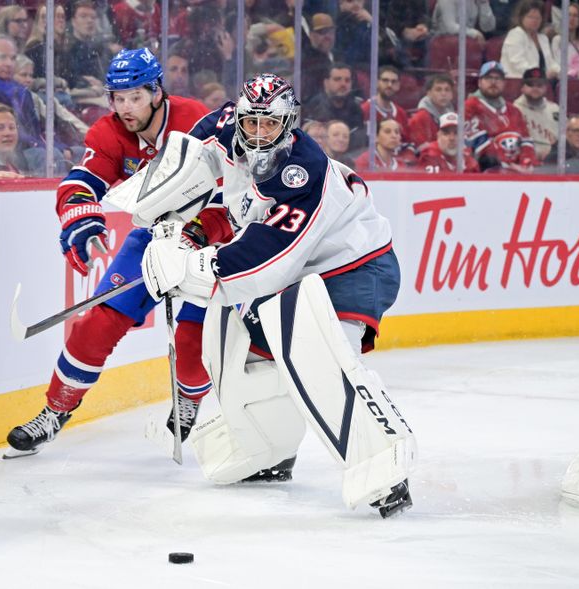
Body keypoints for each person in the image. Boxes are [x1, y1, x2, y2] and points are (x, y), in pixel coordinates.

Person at [140, 73, 415, 517]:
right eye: (252, 123)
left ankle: (383, 462)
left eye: (271, 125)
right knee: (231, 340)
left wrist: (189, 269)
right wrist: (183, 227)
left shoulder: (303, 173)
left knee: (312, 349)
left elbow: (266, 264)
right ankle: (263, 446)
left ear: (289, 123)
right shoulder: (226, 131)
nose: (259, 133)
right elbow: (217, 196)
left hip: (354, 268)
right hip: (303, 273)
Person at [5, 48, 216, 457]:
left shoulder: (198, 120)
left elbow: (235, 177)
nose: (125, 108)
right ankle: (54, 411)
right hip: (151, 236)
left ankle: (189, 398)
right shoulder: (108, 132)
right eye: (117, 98)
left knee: (191, 336)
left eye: (135, 96)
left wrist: (211, 230)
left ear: (157, 92)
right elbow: (80, 182)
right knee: (98, 323)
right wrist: (82, 222)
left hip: (206, 237)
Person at [465, 61, 537, 173]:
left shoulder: (514, 110)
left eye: (498, 78)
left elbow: (526, 141)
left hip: (516, 170)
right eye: (488, 78)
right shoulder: (470, 107)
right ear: (479, 82)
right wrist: (507, 166)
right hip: (484, 173)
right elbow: (479, 147)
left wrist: (526, 162)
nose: (493, 82)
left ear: (504, 83)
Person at [302, 64, 365, 149]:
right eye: (337, 79)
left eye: (347, 80)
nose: (343, 84)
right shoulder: (312, 107)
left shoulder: (356, 109)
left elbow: (359, 139)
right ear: (326, 83)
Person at [500, 0, 560, 79]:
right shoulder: (515, 34)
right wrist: (540, 74)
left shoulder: (543, 38)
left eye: (538, 18)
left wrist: (560, 72)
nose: (534, 21)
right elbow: (518, 63)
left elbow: (550, 62)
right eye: (530, 17)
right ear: (521, 17)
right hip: (518, 81)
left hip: (542, 81)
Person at [513, 67, 560, 160]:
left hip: (553, 162)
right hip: (525, 161)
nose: (535, 88)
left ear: (546, 88)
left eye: (539, 85)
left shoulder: (555, 109)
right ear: (522, 87)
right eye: (530, 84)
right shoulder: (514, 110)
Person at [406, 73, 455, 152]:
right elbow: (422, 151)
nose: (443, 94)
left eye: (447, 90)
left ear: (452, 94)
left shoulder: (453, 116)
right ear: (429, 93)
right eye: (438, 90)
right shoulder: (420, 118)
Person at [360, 66, 410, 142]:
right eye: (385, 80)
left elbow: (406, 141)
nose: (389, 85)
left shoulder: (401, 113)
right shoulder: (364, 110)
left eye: (393, 82)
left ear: (398, 85)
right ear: (376, 83)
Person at [432, 0, 496, 43]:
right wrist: (474, 33)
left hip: (468, 43)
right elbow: (450, 27)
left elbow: (488, 28)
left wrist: (484, 3)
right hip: (443, 43)